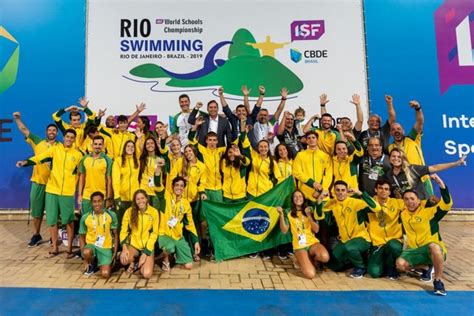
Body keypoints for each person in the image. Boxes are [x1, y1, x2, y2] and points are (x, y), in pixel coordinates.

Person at [16, 129, 83, 258]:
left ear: (74, 139)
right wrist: (26, 162)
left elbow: (80, 174)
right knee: (52, 220)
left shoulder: (78, 155)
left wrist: (78, 191)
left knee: (68, 221)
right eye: (67, 136)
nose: (69, 139)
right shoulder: (55, 150)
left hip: (67, 192)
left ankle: (69, 248)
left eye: (72, 137)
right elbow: (40, 158)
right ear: (63, 137)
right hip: (52, 190)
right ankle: (54, 247)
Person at [396, 174, 452, 296]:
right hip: (414, 250)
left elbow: (447, 204)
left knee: (434, 246)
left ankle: (438, 281)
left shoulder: (429, 212)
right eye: (406, 199)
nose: (409, 202)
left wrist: (440, 183)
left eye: (412, 199)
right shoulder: (403, 214)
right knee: (400, 265)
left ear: (418, 200)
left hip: (431, 248)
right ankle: (426, 267)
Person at [13, 112, 59, 247]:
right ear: (46, 132)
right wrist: (18, 119)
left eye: (54, 130)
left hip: (54, 184)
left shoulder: (61, 147)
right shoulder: (38, 141)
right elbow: (24, 130)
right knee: (37, 212)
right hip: (38, 182)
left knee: (54, 213)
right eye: (49, 130)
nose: (52, 132)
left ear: (57, 133)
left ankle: (53, 237)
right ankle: (36, 235)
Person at [316, 181, 379, 278]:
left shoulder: (356, 203)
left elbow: (376, 208)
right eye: (337, 190)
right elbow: (318, 216)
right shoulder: (332, 203)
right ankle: (352, 261)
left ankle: (361, 267)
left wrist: (360, 193)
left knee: (350, 247)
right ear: (334, 191)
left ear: (347, 191)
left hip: (361, 238)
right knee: (333, 265)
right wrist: (320, 198)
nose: (340, 192)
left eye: (343, 190)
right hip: (344, 240)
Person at [154, 171, 201, 271]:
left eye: (181, 186)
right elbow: (157, 185)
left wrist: (196, 242)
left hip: (178, 236)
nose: (179, 187)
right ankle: (166, 260)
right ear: (172, 186)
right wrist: (157, 171)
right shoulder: (165, 197)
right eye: (176, 185)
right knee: (169, 247)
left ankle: (175, 254)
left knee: (189, 266)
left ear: (184, 188)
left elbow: (190, 224)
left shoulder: (186, 203)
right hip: (164, 234)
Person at [277, 190, 329, 279]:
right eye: (295, 196)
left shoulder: (310, 209)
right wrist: (281, 215)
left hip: (312, 243)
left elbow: (316, 230)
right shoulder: (287, 212)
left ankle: (310, 259)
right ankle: (298, 259)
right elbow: (284, 231)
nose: (298, 198)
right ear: (292, 199)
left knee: (325, 257)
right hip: (299, 246)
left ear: (304, 198)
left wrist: (309, 215)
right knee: (310, 274)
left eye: (300, 196)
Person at [169, 144, 207, 261]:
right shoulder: (180, 162)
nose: (188, 153)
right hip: (180, 199)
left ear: (194, 152)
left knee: (193, 226)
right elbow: (172, 177)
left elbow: (202, 182)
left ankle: (196, 251)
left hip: (193, 200)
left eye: (190, 151)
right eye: (186, 151)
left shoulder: (201, 166)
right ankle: (182, 251)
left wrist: (201, 193)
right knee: (180, 226)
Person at [388, 100, 433, 196]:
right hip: (404, 184)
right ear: (390, 133)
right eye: (393, 129)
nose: (396, 131)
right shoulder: (390, 148)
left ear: (403, 131)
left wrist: (418, 108)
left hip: (422, 179)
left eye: (399, 129)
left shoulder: (412, 138)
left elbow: (419, 122)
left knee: (429, 208)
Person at [386, 148, 467, 199]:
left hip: (423, 205)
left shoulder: (412, 169)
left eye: (399, 157)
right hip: (407, 208)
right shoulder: (388, 175)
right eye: (393, 156)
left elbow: (435, 167)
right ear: (389, 159)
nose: (396, 158)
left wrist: (456, 163)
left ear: (403, 159)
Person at [367, 179, 404, 279]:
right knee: (374, 273)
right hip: (377, 243)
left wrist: (431, 202)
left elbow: (414, 204)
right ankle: (383, 264)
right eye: (380, 188)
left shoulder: (397, 203)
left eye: (386, 189)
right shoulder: (369, 203)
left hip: (394, 239)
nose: (383, 191)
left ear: (389, 192)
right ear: (376, 190)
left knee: (393, 246)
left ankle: (392, 267)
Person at [119, 189, 159, 279]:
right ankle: (133, 262)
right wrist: (124, 248)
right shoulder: (129, 212)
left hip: (147, 246)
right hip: (134, 245)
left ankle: (140, 263)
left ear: (146, 199)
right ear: (135, 201)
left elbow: (154, 234)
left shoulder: (154, 212)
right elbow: (123, 231)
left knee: (146, 274)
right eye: (138, 199)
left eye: (142, 198)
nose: (140, 201)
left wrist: (145, 253)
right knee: (124, 260)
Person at [79, 191, 119, 278]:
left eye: (99, 201)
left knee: (105, 274)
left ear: (103, 202)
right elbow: (81, 237)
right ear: (91, 203)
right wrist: (84, 258)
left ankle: (100, 262)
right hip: (91, 246)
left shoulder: (111, 215)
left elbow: (116, 236)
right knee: (87, 252)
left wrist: (115, 254)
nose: (97, 204)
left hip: (105, 247)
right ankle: (91, 263)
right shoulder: (85, 217)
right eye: (95, 201)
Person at [292, 130, 333, 205]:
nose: (311, 139)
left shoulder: (325, 156)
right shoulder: (300, 155)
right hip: (305, 194)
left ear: (317, 140)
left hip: (322, 194)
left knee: (322, 216)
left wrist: (320, 190)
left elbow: (328, 175)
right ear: (306, 141)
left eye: (313, 138)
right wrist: (312, 183)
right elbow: (297, 172)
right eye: (309, 138)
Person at [78, 135, 113, 214]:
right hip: (87, 196)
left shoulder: (108, 160)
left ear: (103, 146)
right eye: (96, 144)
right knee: (86, 220)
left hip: (101, 196)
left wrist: (108, 198)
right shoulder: (85, 159)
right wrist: (80, 195)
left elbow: (109, 181)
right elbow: (82, 178)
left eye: (100, 144)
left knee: (100, 222)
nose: (97, 146)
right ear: (92, 145)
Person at [112, 140, 140, 230]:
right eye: (128, 146)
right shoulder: (118, 160)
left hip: (134, 198)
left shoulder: (137, 161)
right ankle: (121, 244)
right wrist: (116, 196)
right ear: (124, 148)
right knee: (121, 224)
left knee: (133, 224)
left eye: (132, 147)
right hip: (122, 198)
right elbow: (115, 179)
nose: (130, 148)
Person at [220, 124, 250, 202]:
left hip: (240, 197)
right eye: (230, 152)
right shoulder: (223, 162)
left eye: (234, 151)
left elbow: (247, 162)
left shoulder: (241, 162)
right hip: (226, 196)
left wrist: (240, 155)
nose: (232, 154)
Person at [138, 136, 163, 209]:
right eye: (147, 144)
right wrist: (139, 138)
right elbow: (141, 149)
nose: (150, 145)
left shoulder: (160, 159)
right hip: (144, 190)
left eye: (152, 143)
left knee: (155, 214)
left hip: (156, 191)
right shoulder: (143, 159)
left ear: (155, 145)